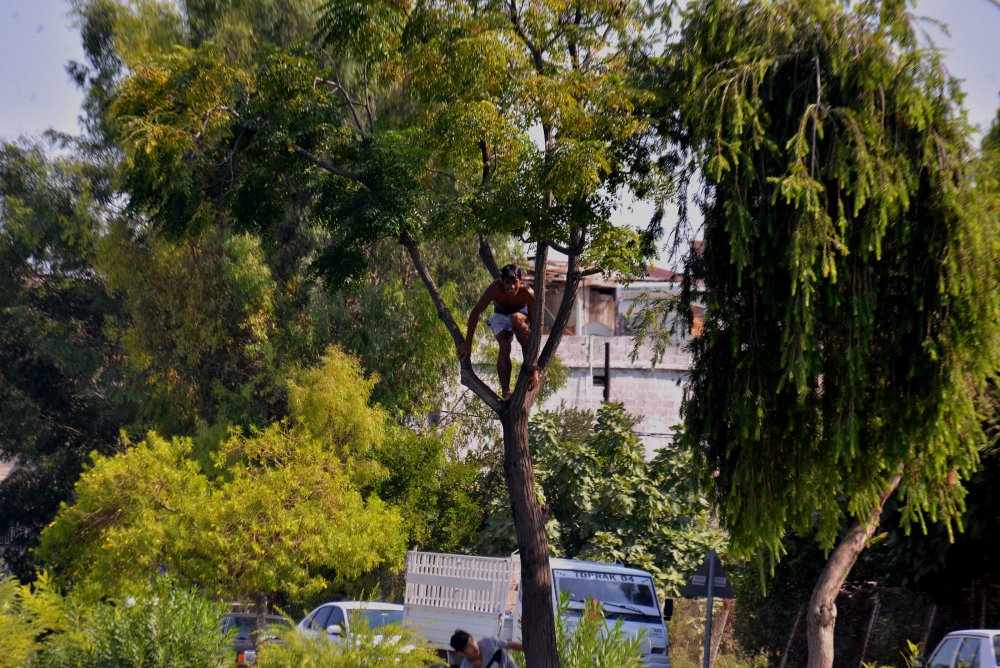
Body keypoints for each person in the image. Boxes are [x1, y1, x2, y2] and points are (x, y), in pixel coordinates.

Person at [456, 263, 538, 399]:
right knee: (504, 345)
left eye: (515, 283)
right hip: (499, 316)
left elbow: (535, 326)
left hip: (520, 316)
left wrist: (534, 368)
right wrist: (468, 343)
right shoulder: (495, 289)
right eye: (507, 282)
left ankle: (530, 371)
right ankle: (506, 391)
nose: (511, 287)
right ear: (502, 281)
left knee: (516, 318)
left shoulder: (528, 293)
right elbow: (476, 312)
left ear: (521, 281)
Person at [449, 629, 523, 668]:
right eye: (468, 646)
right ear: (461, 653)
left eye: (472, 640)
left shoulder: (490, 642)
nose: (474, 646)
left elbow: (513, 645)